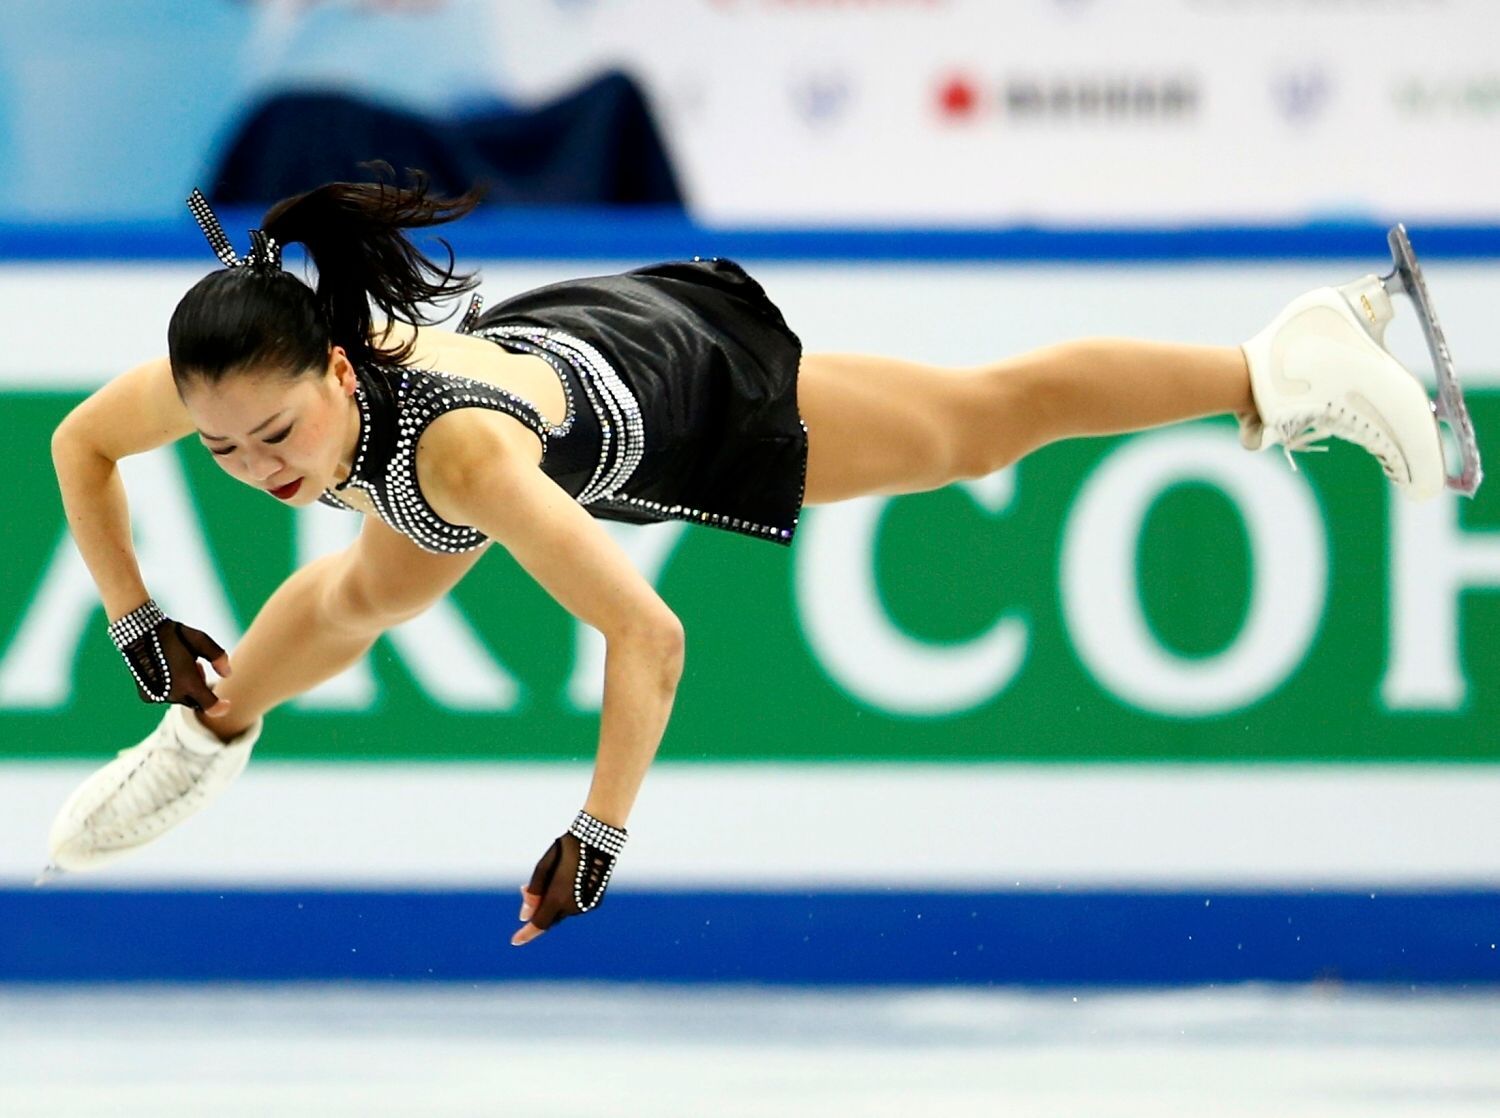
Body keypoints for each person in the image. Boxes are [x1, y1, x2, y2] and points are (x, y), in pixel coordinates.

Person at [43, 169, 1456, 947]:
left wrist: (597, 833)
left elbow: (647, 639)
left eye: (277, 435)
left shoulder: (464, 460)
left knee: (979, 425)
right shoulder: (232, 376)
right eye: (225, 451)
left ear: (340, 368)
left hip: (676, 394)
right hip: (539, 361)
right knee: (359, 588)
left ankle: (1280, 364)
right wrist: (135, 614)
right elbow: (80, 453)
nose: (256, 468)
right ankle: (207, 727)